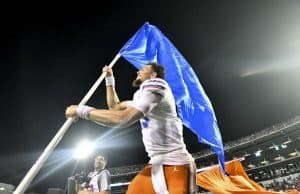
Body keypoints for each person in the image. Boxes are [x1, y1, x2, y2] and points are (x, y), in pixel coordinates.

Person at [66, 62, 196, 194]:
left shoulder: (157, 85)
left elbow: (122, 119)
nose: (139, 72)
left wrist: (81, 111)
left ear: (153, 75)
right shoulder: (140, 97)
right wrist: (109, 78)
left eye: (144, 69)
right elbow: (114, 107)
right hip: (156, 163)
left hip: (177, 162)